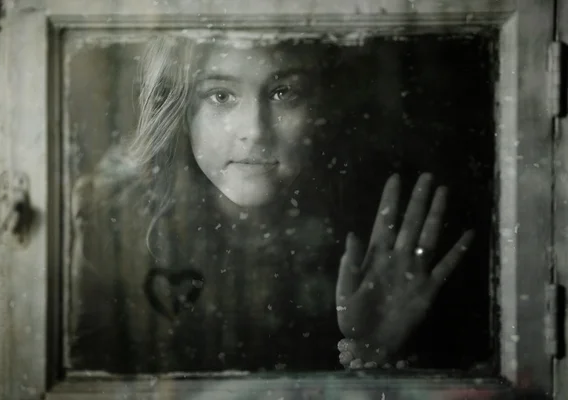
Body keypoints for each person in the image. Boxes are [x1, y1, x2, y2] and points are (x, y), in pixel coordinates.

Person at [70, 34, 475, 373]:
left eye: (284, 93)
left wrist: (373, 352)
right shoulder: (113, 225)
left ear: (320, 106)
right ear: (180, 109)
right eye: (221, 95)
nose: (255, 131)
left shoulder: (371, 237)